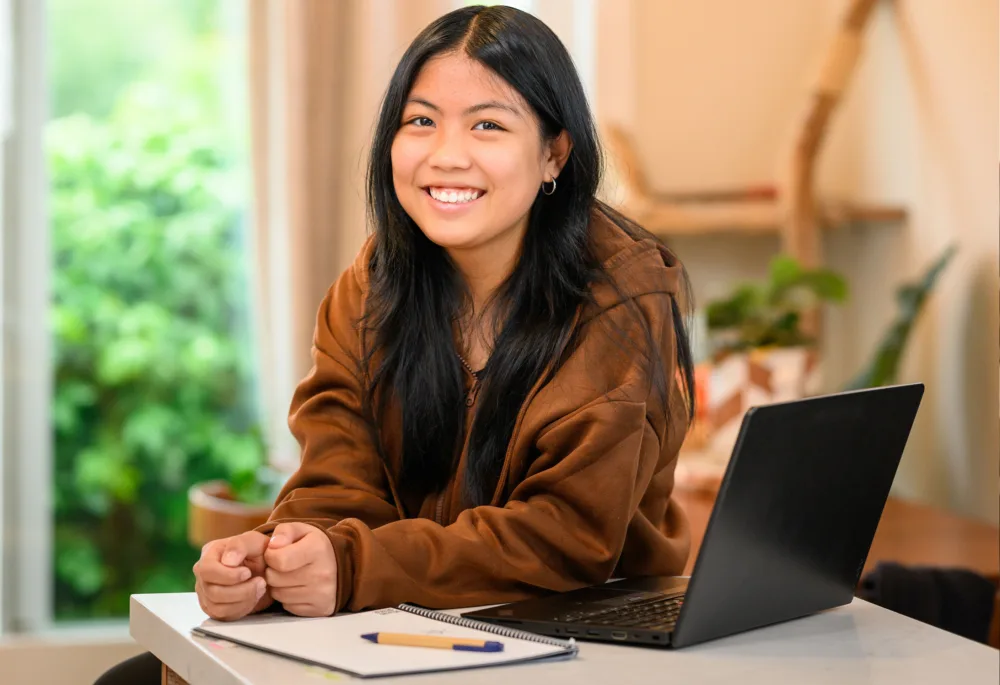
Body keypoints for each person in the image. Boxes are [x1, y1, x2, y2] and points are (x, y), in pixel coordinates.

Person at [96, 4, 694, 682]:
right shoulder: (374, 286)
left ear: (554, 152)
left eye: (489, 125)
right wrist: (279, 558)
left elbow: (566, 539)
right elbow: (337, 484)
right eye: (420, 121)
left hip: (576, 647)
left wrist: (352, 567)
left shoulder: (621, 297)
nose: (446, 155)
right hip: (404, 631)